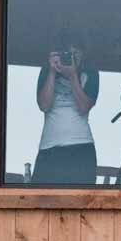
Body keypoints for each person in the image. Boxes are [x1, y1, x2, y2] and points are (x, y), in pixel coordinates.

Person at [31, 30, 101, 185]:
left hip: (81, 147)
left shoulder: (91, 73)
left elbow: (83, 107)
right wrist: (51, 72)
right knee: (41, 199)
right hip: (49, 147)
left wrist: (73, 76)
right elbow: (44, 105)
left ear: (83, 54)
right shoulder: (47, 71)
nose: (71, 57)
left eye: (76, 53)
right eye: (67, 54)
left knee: (80, 203)